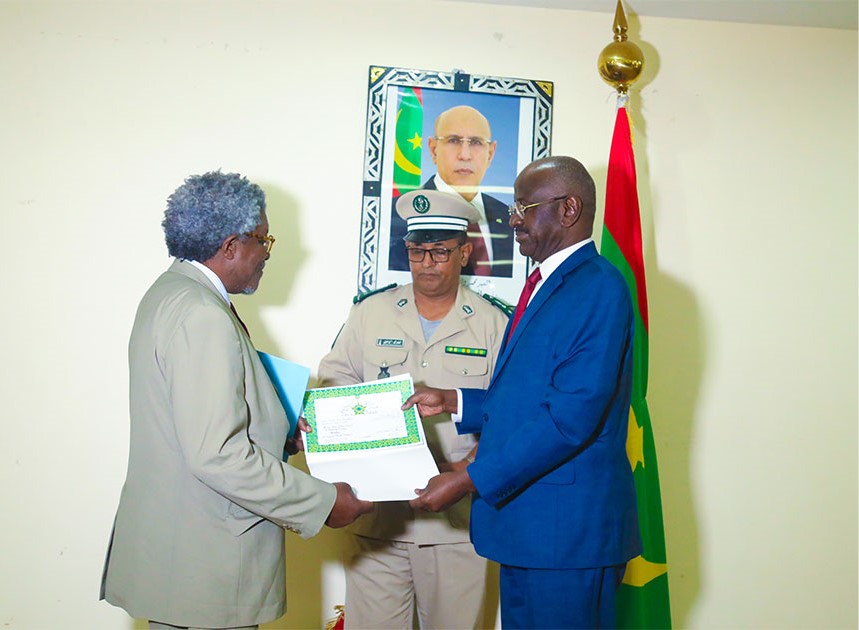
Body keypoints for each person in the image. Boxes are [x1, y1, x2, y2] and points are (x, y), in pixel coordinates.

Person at [100, 171, 373, 630]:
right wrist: (324, 502)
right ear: (230, 245)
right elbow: (217, 454)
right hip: (209, 562)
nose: (267, 253)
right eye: (263, 241)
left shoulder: (169, 295)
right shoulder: (203, 314)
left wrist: (279, 430)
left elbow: (187, 422)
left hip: (181, 553)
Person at [405, 156, 642, 629]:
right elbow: (531, 397)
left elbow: (566, 418)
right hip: (532, 529)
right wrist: (457, 401)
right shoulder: (547, 283)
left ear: (569, 209)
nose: (512, 220)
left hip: (565, 534)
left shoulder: (597, 289)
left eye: (524, 207)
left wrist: (471, 478)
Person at [317, 189, 510, 629]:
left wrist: (469, 471)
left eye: (439, 251)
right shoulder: (371, 312)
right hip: (378, 520)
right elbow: (334, 381)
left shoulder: (494, 323)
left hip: (457, 527)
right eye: (416, 250)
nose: (426, 262)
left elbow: (508, 415)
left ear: (464, 252)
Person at [389, 105, 514, 277]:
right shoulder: (396, 217)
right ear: (433, 150)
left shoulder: (510, 220)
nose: (465, 155)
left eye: (476, 142)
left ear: (490, 154)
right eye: (454, 141)